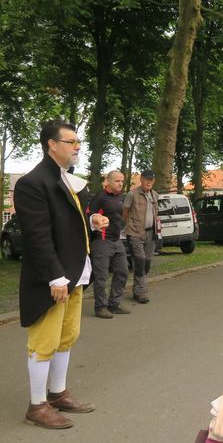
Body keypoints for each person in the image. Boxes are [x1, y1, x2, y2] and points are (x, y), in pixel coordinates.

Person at [13, 120, 109, 429]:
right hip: (53, 278)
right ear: (52, 145)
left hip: (75, 273)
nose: (77, 146)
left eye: (78, 141)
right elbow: (37, 237)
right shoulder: (33, 183)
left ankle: (57, 393)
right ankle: (37, 405)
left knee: (66, 338)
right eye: (71, 142)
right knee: (44, 341)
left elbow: (69, 223)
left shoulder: (67, 180)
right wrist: (55, 277)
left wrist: (91, 221)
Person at [89, 170, 131, 319]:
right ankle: (100, 307)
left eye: (122, 181)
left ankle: (114, 304)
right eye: (117, 181)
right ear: (109, 181)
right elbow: (89, 215)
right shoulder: (100, 197)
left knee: (123, 272)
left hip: (117, 240)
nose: (120, 183)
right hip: (101, 241)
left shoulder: (121, 197)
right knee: (101, 276)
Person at [123, 169, 159, 304]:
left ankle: (137, 288)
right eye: (146, 179)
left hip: (151, 233)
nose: (149, 182)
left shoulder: (155, 195)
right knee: (140, 261)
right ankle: (141, 292)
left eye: (151, 180)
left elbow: (156, 213)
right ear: (141, 179)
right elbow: (125, 211)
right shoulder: (132, 194)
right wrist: (130, 226)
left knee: (147, 263)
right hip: (135, 233)